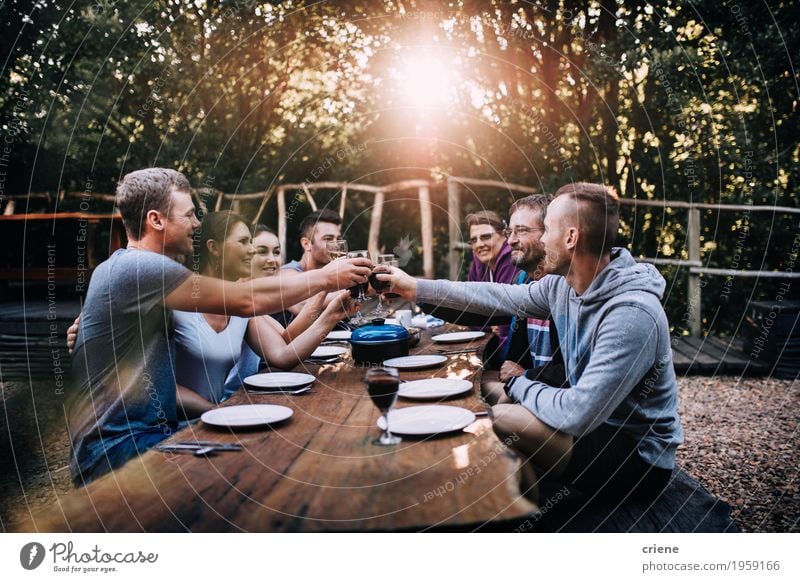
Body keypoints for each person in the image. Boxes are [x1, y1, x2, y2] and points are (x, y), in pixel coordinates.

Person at [380, 182, 683, 502]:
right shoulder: (561, 286)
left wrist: (520, 384)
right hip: (592, 427)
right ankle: (521, 499)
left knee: (502, 418)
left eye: (546, 229)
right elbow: (498, 297)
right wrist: (414, 287)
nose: (539, 238)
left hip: (637, 458)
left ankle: (508, 506)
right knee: (483, 390)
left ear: (570, 238)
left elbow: (579, 413)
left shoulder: (632, 314)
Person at [69, 168, 371, 485]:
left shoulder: (147, 273)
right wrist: (327, 277)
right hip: (116, 449)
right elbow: (244, 300)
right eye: (189, 215)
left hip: (156, 432)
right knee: (264, 462)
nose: (197, 224)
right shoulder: (139, 267)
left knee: (278, 446)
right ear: (156, 220)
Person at [174, 212, 356, 415]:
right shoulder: (176, 301)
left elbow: (283, 354)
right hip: (175, 430)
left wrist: (332, 315)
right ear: (214, 248)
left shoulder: (240, 307)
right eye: (244, 242)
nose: (252, 251)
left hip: (219, 418)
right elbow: (157, 387)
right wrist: (216, 410)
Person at [482, 195, 566, 403]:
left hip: (561, 403)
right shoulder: (524, 281)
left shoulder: (570, 288)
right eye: (510, 232)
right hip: (530, 389)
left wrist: (527, 376)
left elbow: (579, 374)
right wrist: (418, 293)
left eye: (521, 230)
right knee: (472, 385)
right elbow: (478, 302)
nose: (510, 240)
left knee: (497, 414)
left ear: (549, 233)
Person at [464, 210, 519, 361]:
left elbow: (507, 320)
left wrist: (493, 321)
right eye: (474, 240)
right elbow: (467, 309)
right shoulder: (479, 261)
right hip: (496, 344)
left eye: (486, 237)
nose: (479, 244)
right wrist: (492, 324)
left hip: (516, 355)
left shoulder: (510, 261)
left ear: (504, 235)